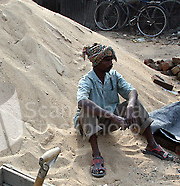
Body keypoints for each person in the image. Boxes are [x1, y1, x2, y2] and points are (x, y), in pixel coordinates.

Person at [74, 43, 174, 178]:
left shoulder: (113, 76)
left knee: (135, 103)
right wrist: (112, 116)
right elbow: (82, 101)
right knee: (87, 109)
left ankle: (152, 145)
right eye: (107, 60)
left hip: (110, 122)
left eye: (111, 60)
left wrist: (130, 107)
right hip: (89, 125)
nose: (111, 63)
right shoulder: (86, 80)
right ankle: (96, 155)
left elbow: (131, 91)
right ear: (96, 62)